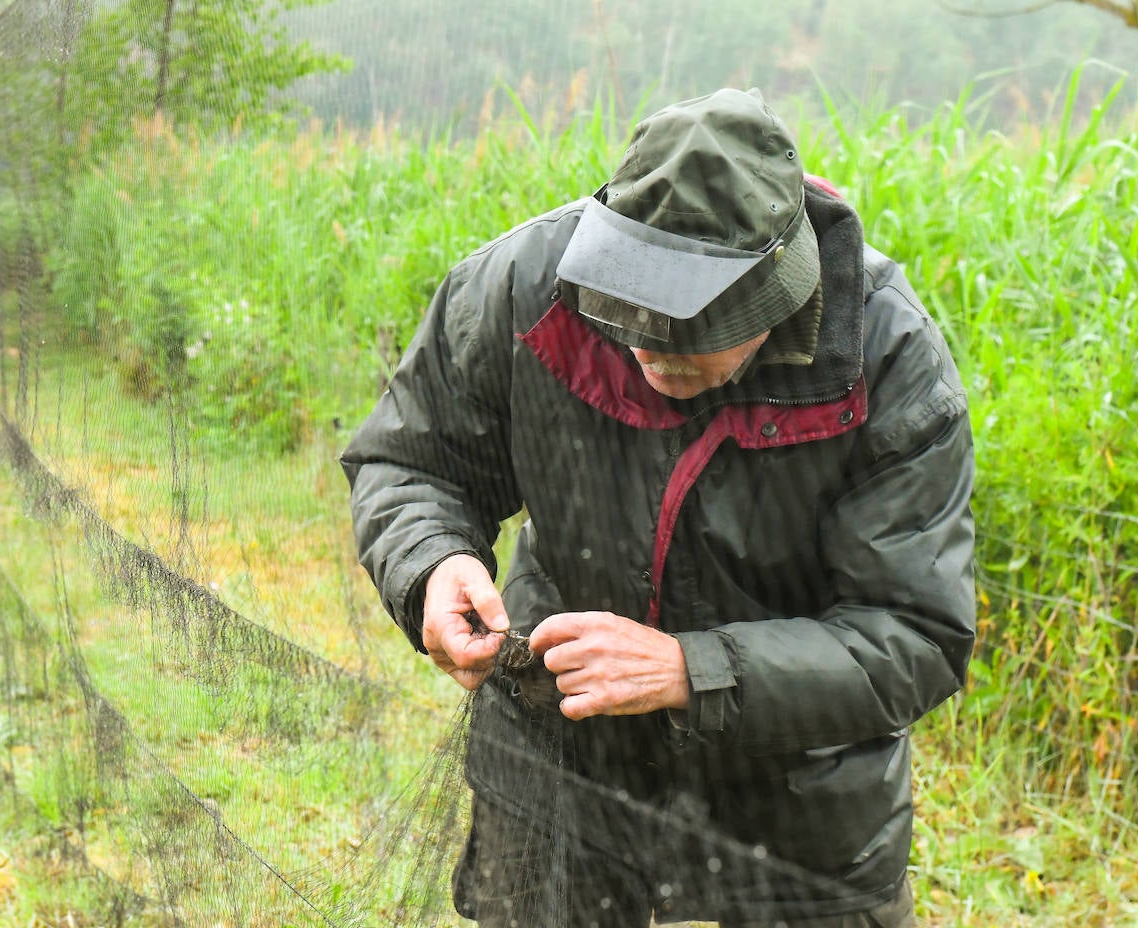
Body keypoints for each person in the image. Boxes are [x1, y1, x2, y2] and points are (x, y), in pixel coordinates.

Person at [341, 87, 975, 928]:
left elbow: (914, 635)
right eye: (629, 306)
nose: (651, 344)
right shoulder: (525, 284)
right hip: (558, 748)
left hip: (799, 796)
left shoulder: (888, 358)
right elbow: (409, 460)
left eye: (697, 327)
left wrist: (687, 670)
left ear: (779, 296)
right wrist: (433, 565)